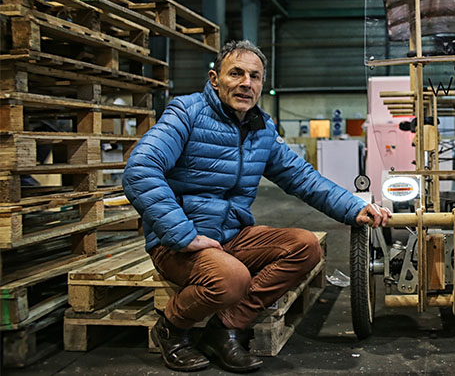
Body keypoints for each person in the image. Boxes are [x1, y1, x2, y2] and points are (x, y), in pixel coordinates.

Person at [122, 40, 391, 372]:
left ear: (262, 85)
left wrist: (352, 207)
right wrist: (182, 234)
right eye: (235, 73)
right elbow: (140, 169)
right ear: (214, 79)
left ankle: (224, 330)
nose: (246, 83)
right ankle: (172, 329)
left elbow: (301, 177)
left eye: (255, 76)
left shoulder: (260, 128)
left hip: (231, 235)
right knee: (231, 278)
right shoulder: (186, 114)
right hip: (179, 243)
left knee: (305, 247)